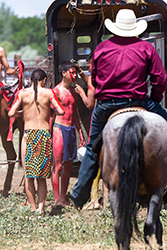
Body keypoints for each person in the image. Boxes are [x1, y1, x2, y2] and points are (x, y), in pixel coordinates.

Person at [71, 9, 167, 209]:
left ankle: (79, 194)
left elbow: (95, 80)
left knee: (92, 147)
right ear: (135, 29)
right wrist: (154, 100)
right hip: (139, 101)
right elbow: (160, 79)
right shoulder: (146, 48)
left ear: (115, 28)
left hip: (106, 105)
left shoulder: (101, 48)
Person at [8, 68, 65, 213]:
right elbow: (61, 111)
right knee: (41, 177)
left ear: (30, 80)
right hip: (44, 135)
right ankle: (41, 209)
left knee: (29, 176)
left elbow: (11, 113)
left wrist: (24, 113)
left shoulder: (22, 94)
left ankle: (33, 208)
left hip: (29, 135)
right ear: (44, 80)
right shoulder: (48, 93)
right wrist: (49, 111)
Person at [75, 54, 109, 209]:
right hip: (112, 117)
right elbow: (88, 79)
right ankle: (108, 198)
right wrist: (81, 72)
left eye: (88, 66)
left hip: (100, 120)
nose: (88, 70)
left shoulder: (93, 80)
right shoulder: (108, 75)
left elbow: (89, 104)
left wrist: (81, 93)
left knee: (93, 154)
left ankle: (92, 198)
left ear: (91, 64)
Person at [52, 61, 85, 206]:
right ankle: (57, 198)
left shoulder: (73, 91)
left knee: (69, 165)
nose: (74, 75)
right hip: (59, 128)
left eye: (75, 73)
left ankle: (64, 197)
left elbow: (75, 114)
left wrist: (80, 131)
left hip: (71, 130)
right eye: (72, 72)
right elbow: (50, 114)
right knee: (58, 166)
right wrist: (48, 133)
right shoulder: (56, 91)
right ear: (63, 73)